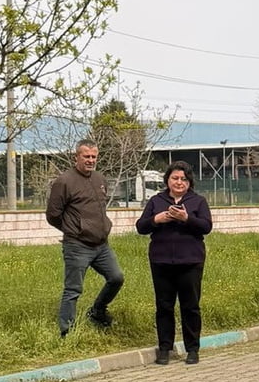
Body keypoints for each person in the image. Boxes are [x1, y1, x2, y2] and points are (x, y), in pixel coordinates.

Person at [136, 161, 213, 365]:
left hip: (190, 261)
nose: (179, 182)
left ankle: (193, 349)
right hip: (161, 261)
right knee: (164, 306)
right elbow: (141, 227)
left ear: (189, 182)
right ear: (168, 180)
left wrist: (186, 218)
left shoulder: (198, 201)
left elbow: (206, 227)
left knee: (190, 306)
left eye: (184, 179)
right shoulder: (156, 201)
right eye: (175, 178)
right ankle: (165, 348)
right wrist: (157, 220)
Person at [45, 140, 124, 338]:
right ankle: (66, 331)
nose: (90, 160)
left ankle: (97, 312)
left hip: (101, 246)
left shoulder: (100, 179)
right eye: (86, 156)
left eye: (93, 157)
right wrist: (74, 230)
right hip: (77, 246)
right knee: (73, 289)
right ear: (76, 157)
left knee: (116, 278)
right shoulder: (64, 181)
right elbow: (53, 214)